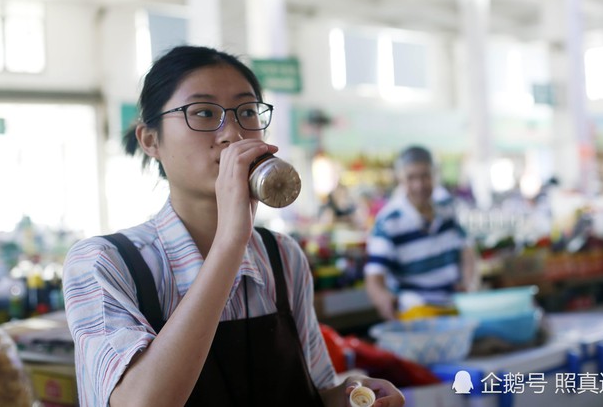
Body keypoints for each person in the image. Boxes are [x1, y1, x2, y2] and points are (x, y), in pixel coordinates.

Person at [62, 45, 405, 407]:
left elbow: (314, 394)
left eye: (246, 112)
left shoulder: (282, 256)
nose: (232, 134)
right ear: (151, 140)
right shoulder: (103, 263)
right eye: (204, 112)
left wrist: (351, 398)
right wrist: (229, 242)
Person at [364, 145, 477, 320]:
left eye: (425, 176)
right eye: (411, 178)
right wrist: (384, 300)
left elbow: (467, 252)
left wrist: (469, 283)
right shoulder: (388, 221)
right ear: (400, 179)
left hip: (455, 307)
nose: (419, 185)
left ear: (435, 175)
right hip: (416, 313)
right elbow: (374, 277)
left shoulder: (447, 208)